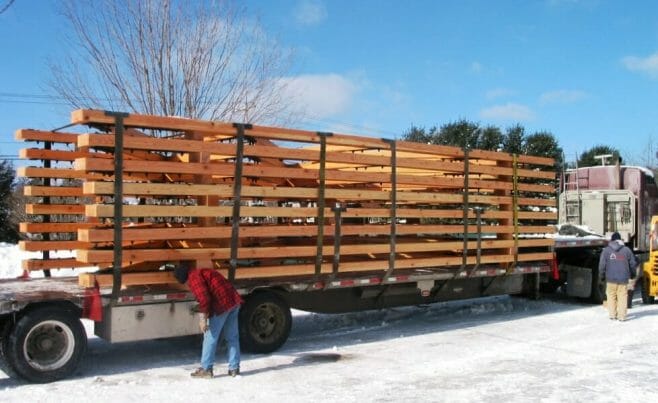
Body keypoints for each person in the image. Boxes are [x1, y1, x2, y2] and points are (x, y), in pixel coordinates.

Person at [174, 262, 243, 378]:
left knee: (210, 337)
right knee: (232, 337)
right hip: (233, 301)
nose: (187, 285)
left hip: (221, 305)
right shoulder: (201, 271)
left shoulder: (194, 278)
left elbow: (204, 299)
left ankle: (206, 369)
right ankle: (234, 368)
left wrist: (203, 319)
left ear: (184, 278)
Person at [598, 232, 638, 321]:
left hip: (610, 279)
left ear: (612, 240)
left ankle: (612, 315)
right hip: (623, 279)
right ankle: (622, 316)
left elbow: (602, 265)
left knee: (611, 296)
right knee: (622, 297)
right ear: (620, 240)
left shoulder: (606, 251)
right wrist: (633, 274)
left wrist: (601, 276)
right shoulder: (627, 250)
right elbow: (632, 264)